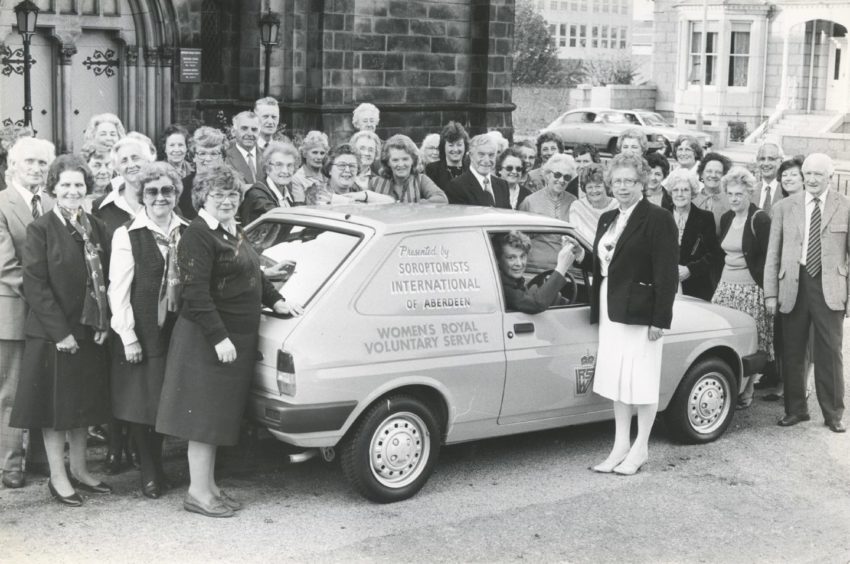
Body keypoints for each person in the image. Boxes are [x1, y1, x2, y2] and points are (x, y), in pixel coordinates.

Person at [155, 163, 302, 517]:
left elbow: (253, 270)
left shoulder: (231, 229)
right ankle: (197, 494)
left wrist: (277, 301)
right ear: (203, 197)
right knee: (202, 421)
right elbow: (195, 295)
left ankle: (209, 488)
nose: (227, 200)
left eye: (232, 194)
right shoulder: (198, 235)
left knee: (216, 418)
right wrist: (219, 338)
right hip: (206, 340)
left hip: (231, 338)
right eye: (218, 194)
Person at [10, 154, 113, 506]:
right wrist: (60, 333)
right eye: (65, 184)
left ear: (87, 189)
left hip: (87, 331)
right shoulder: (40, 229)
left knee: (82, 406)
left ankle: (81, 470)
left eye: (79, 185)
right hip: (53, 335)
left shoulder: (96, 226)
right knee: (56, 410)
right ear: (53, 188)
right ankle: (58, 477)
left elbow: (107, 281)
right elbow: (35, 286)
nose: (72, 190)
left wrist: (103, 322)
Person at [590, 153, 678, 475]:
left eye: (629, 181)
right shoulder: (607, 218)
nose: (622, 187)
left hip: (642, 312)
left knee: (641, 380)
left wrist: (659, 319)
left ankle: (640, 447)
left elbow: (666, 273)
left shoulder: (658, 218)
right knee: (617, 379)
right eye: (617, 181)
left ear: (642, 183)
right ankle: (620, 446)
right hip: (611, 309)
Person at [108, 162, 187, 499]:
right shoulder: (127, 234)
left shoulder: (187, 230)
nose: (159, 197)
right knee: (144, 402)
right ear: (141, 196)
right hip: (143, 330)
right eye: (152, 192)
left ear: (176, 194)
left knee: (166, 401)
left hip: (179, 330)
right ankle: (150, 472)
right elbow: (118, 290)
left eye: (166, 190)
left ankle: (157, 464)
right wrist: (128, 336)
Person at [765, 153, 849, 433]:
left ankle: (833, 413)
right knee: (792, 351)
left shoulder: (844, 206)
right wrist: (770, 294)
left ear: (830, 176)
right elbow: (772, 254)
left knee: (830, 352)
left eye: (818, 175)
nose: (811, 179)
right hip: (793, 285)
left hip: (829, 288)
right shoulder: (784, 207)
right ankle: (795, 410)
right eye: (808, 173)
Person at [93, 135, 153, 475]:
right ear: (116, 166)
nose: (132, 164)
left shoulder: (161, 198)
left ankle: (140, 446)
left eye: (137, 157)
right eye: (125, 159)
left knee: (144, 378)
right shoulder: (104, 209)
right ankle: (115, 447)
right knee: (116, 376)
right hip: (117, 305)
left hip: (149, 304)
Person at [0, 138, 55, 490]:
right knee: (11, 392)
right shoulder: (2, 204)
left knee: (43, 385)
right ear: (14, 165)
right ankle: (10, 464)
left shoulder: (51, 202)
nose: (36, 169)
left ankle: (39, 457)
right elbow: (6, 266)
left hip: (48, 312)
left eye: (42, 164)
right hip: (15, 310)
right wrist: (47, 299)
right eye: (30, 162)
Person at [711, 167, 772, 409]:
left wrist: (769, 293)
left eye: (739, 194)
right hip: (726, 287)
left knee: (752, 342)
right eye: (731, 194)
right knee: (723, 337)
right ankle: (729, 386)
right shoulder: (727, 218)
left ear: (749, 193)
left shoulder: (759, 219)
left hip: (750, 289)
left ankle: (748, 389)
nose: (735, 199)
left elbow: (769, 257)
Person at [495, 231, 582, 314]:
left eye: (522, 256)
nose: (519, 263)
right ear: (498, 260)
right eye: (511, 258)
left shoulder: (512, 281)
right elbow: (536, 304)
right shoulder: (501, 288)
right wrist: (562, 267)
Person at [666, 168, 719, 301]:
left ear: (693, 193)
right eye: (676, 190)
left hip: (696, 286)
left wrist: (690, 270)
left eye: (685, 190)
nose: (680, 194)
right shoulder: (661, 216)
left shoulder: (705, 218)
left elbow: (713, 254)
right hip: (665, 284)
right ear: (671, 193)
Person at [519, 154, 578, 269]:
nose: (561, 180)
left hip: (566, 268)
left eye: (566, 177)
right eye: (557, 175)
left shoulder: (573, 202)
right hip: (535, 268)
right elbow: (520, 239)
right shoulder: (530, 201)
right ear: (547, 175)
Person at [369, 135, 447, 203]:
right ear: (388, 162)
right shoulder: (374, 183)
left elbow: (442, 199)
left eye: (405, 159)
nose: (401, 164)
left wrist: (417, 205)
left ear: (413, 160)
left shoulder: (421, 180)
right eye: (395, 160)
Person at [309, 144, 394, 205]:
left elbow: (391, 202)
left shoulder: (357, 190)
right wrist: (356, 202)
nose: (347, 170)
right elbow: (324, 201)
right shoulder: (316, 190)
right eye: (341, 165)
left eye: (352, 166)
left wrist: (366, 195)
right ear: (329, 169)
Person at [239, 142, 299, 224]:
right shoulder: (257, 196)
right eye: (279, 165)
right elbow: (284, 222)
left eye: (289, 165)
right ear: (267, 168)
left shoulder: (288, 191)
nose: (285, 171)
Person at [445, 134, 510, 208]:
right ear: (471, 156)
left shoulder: (502, 185)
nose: (486, 160)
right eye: (481, 154)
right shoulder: (456, 186)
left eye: (491, 155)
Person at [179, 126, 227, 220]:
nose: (208, 159)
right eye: (202, 153)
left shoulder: (231, 186)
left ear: (223, 158)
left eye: (214, 154)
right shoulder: (181, 187)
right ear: (193, 157)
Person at [569, 162, 617, 244]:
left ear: (606, 186)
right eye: (590, 187)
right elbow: (575, 237)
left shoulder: (617, 206)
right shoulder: (577, 207)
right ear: (584, 189)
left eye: (598, 186)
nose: (594, 191)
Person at [424, 121, 469, 192]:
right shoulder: (432, 170)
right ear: (443, 146)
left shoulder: (471, 168)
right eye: (451, 145)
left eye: (459, 144)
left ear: (465, 146)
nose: (455, 149)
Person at [694, 153, 732, 234]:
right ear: (701, 174)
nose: (713, 175)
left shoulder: (730, 203)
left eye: (718, 172)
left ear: (723, 175)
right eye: (709, 171)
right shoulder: (692, 200)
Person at [224, 112, 262, 188]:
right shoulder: (224, 156)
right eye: (244, 128)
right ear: (233, 132)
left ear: (259, 133)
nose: (250, 133)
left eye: (254, 129)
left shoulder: (268, 155)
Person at [290, 130, 328, 205]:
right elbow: (299, 207)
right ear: (304, 154)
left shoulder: (327, 173)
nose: (319, 157)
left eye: (322, 153)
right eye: (314, 152)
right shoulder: (297, 179)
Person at [753, 142, 785, 213]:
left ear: (781, 162)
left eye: (771, 159)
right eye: (762, 159)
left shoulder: (787, 192)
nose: (766, 163)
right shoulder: (750, 191)